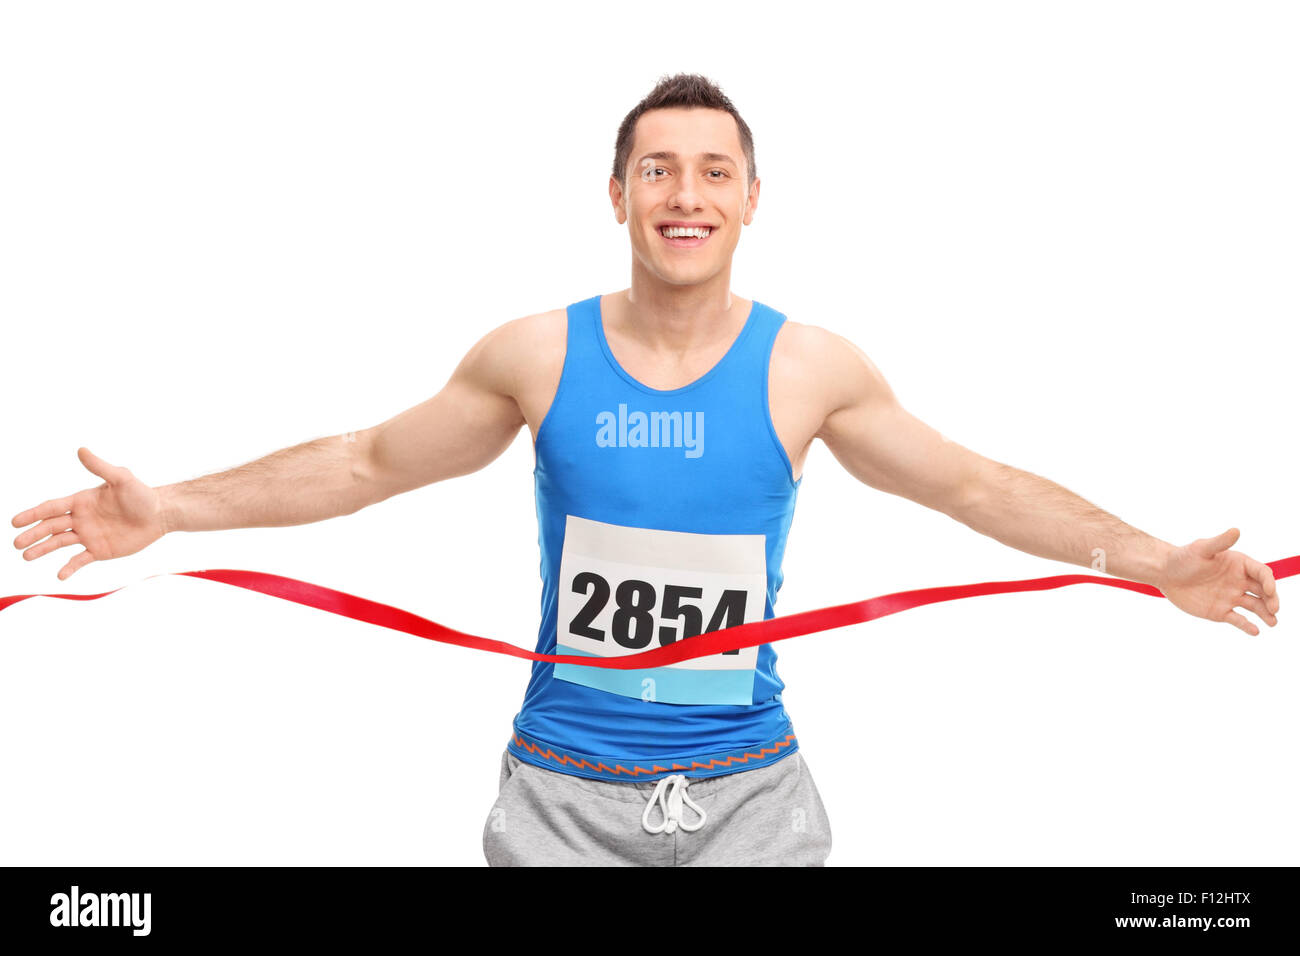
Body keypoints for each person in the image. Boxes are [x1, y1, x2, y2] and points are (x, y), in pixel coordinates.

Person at [10, 73, 1281, 867]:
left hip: (751, 800)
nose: (686, 192)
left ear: (750, 199)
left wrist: (1151, 559)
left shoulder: (809, 369)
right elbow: (364, 463)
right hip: (560, 797)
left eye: (713, 171)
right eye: (658, 169)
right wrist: (168, 507)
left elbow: (968, 482)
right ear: (617, 193)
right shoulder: (533, 355)